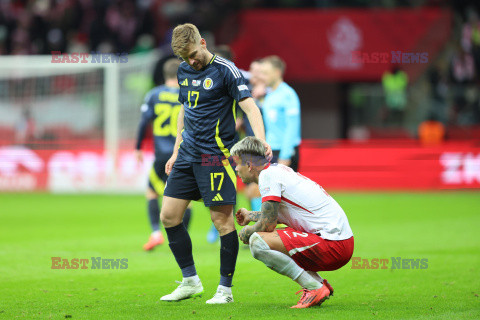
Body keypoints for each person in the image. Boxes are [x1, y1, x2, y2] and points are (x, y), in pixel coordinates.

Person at [159, 23, 271, 304]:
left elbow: (250, 106)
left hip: (215, 157)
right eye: (185, 58)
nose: (191, 61)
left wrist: (261, 141)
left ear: (204, 43)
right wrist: (175, 152)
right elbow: (185, 111)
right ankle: (190, 281)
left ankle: (225, 290)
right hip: (186, 155)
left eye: (194, 54)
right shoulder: (184, 70)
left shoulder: (226, 70)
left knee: (221, 222)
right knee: (169, 216)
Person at [231, 137, 354, 309]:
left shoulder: (268, 176)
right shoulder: (277, 170)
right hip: (340, 242)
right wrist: (250, 215)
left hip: (333, 245)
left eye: (237, 163)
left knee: (257, 241)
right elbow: (278, 214)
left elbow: (268, 224)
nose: (236, 168)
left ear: (250, 165)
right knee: (272, 238)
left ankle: (314, 287)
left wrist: (248, 230)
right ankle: (319, 284)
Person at [135, 58, 192, 251]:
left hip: (162, 154)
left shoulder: (154, 94)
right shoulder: (189, 93)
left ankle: (155, 234)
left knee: (152, 192)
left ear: (163, 75)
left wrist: (138, 148)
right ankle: (181, 236)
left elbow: (143, 123)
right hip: (184, 152)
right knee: (186, 197)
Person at [260, 56, 301, 171]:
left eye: (266, 73)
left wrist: (285, 155)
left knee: (286, 189)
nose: (262, 77)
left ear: (277, 73)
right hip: (271, 150)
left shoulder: (288, 94)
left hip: (284, 151)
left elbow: (292, 126)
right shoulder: (269, 95)